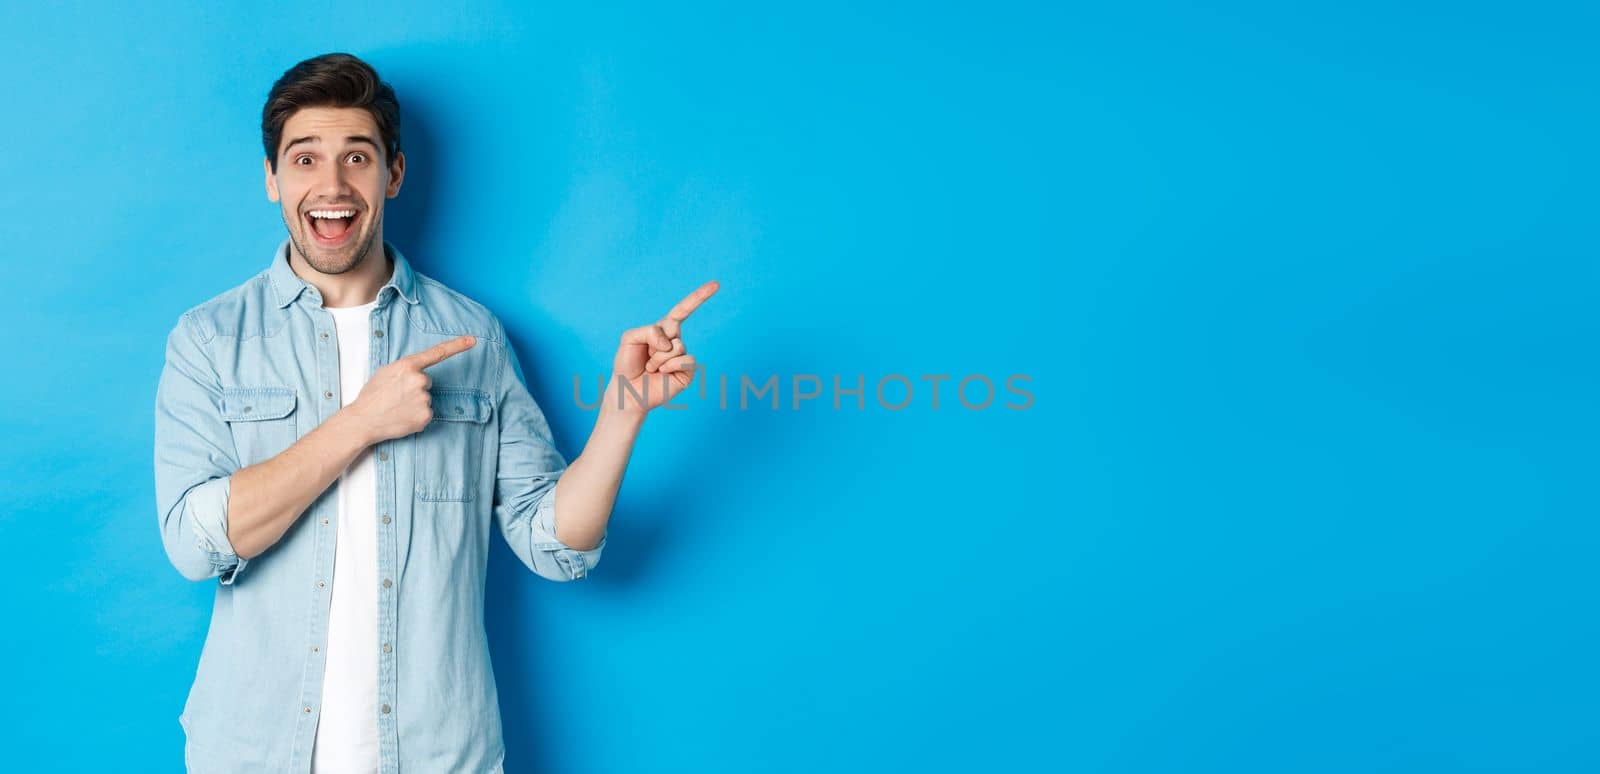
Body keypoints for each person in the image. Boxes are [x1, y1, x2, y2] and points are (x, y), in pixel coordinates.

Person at [153, 52, 716, 773]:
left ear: (392, 175)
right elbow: (196, 546)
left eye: (356, 157)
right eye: (304, 159)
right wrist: (362, 421)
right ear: (272, 179)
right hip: (252, 752)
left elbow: (556, 544)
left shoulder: (473, 336)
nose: (331, 185)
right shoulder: (208, 339)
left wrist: (623, 411)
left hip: (437, 756)